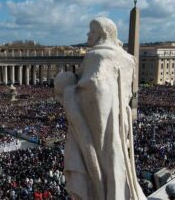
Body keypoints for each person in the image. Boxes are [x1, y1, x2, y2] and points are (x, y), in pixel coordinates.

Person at [55, 17, 146, 200]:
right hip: (119, 122)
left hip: (98, 127)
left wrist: (66, 89)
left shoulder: (96, 56)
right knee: (116, 162)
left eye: (92, 31)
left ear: (102, 33)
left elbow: (93, 91)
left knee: (102, 169)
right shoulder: (127, 58)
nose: (88, 34)